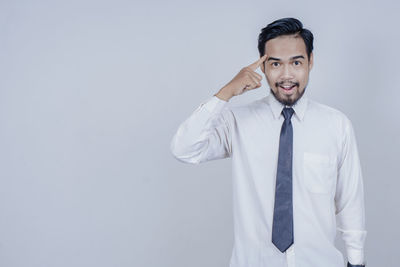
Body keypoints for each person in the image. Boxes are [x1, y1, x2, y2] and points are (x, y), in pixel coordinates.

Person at [170, 17, 366, 267]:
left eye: (296, 62)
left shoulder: (337, 125)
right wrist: (226, 92)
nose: (286, 75)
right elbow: (184, 149)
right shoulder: (237, 121)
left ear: (311, 62)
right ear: (262, 67)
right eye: (275, 64)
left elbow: (350, 201)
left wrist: (356, 262)